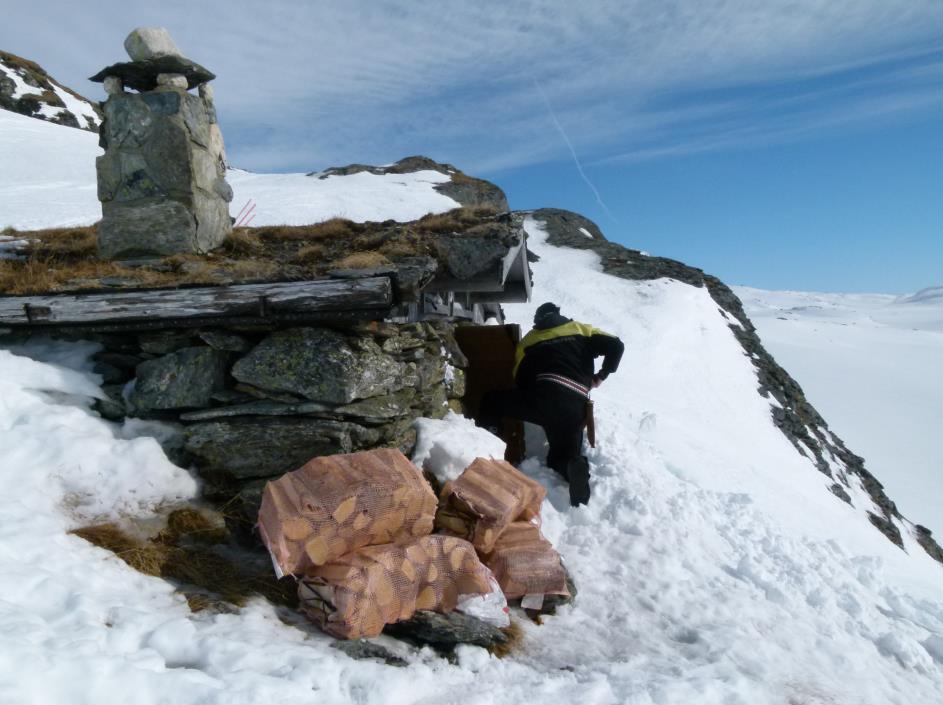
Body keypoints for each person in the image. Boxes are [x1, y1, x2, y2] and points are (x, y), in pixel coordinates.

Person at [478, 302, 624, 506]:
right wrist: (601, 375)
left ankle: (485, 446)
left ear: (537, 321)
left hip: (543, 397)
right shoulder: (581, 329)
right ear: (559, 314)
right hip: (576, 404)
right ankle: (572, 467)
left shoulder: (529, 341)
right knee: (560, 457)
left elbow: (519, 377)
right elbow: (616, 346)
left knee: (492, 401)